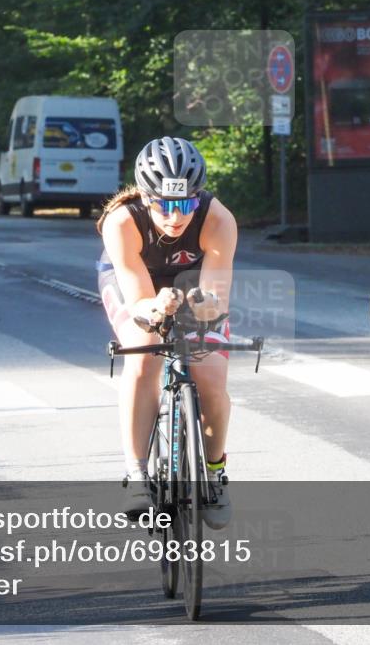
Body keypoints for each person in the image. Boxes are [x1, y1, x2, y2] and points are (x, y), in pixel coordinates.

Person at [96, 136, 237, 528]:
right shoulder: (121, 221)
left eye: (186, 204)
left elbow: (214, 299)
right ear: (145, 197)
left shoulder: (218, 219)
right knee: (143, 354)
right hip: (136, 284)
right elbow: (139, 300)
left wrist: (200, 304)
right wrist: (156, 308)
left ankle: (214, 471)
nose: (176, 217)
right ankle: (136, 475)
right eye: (164, 205)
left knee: (210, 376)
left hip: (193, 283)